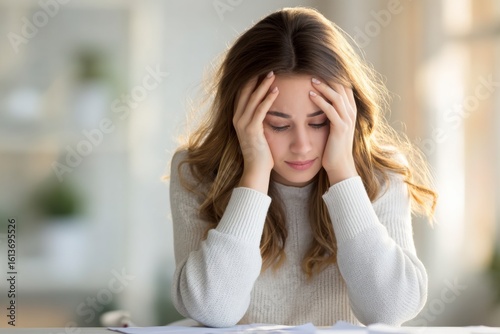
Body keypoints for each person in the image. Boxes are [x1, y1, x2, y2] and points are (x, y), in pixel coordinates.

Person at [167, 6, 437, 328]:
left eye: (319, 122)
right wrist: (254, 175)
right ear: (239, 119)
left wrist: (343, 175)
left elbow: (391, 309)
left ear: (347, 114)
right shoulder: (196, 172)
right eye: (279, 125)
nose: (302, 146)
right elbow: (211, 308)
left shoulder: (381, 173)